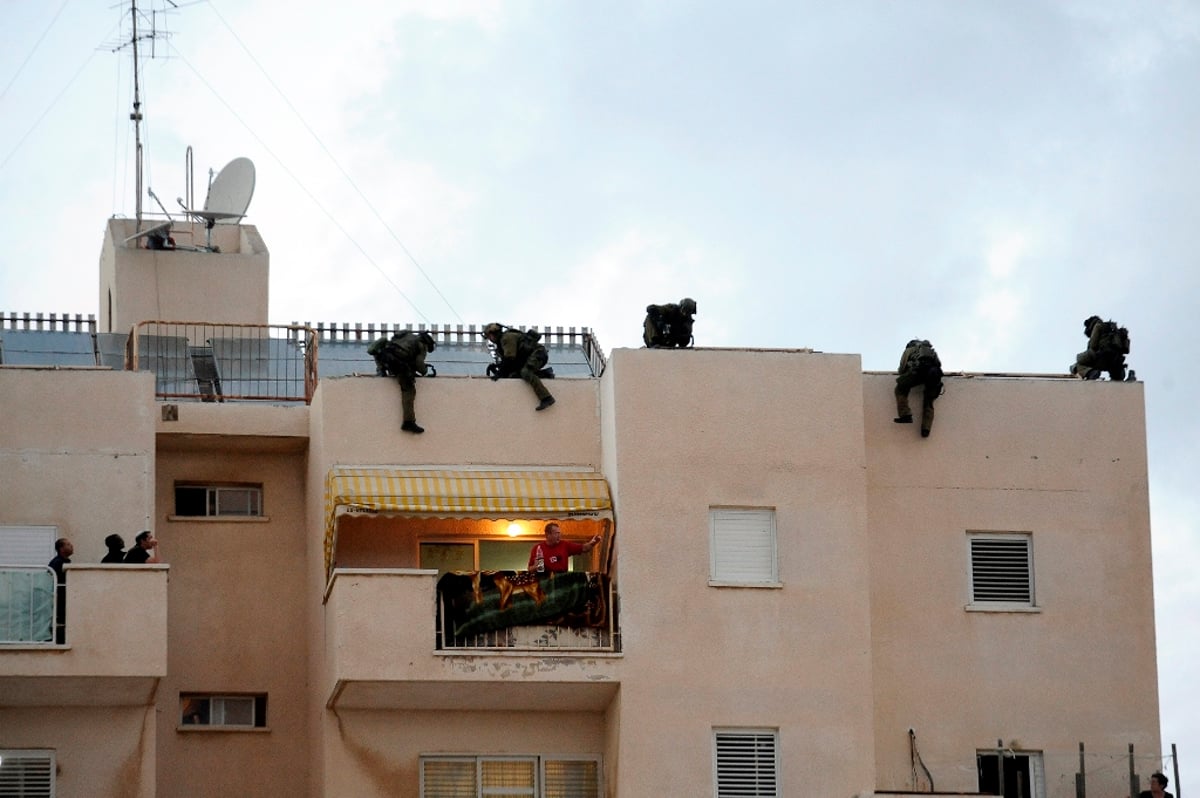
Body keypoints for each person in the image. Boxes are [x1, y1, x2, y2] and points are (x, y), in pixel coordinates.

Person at [368, 330, 437, 434]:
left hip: (385, 358)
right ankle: (408, 422)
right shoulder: (421, 345)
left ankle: (381, 370)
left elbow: (396, 348)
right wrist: (425, 371)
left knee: (389, 357)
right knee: (409, 390)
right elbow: (419, 364)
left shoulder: (406, 336)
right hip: (398, 364)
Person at [483, 323, 556, 411]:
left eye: (490, 336)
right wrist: (496, 367)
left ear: (494, 333)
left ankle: (546, 398)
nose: (490, 339)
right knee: (515, 375)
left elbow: (510, 359)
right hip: (527, 357)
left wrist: (499, 373)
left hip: (538, 353)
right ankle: (545, 374)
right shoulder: (501, 343)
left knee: (526, 372)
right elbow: (509, 361)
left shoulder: (507, 338)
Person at [894, 339, 944, 438]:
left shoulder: (910, 350)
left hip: (918, 373)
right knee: (929, 403)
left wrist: (904, 374)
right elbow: (938, 364)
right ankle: (926, 429)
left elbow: (902, 368)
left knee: (900, 388)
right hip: (934, 376)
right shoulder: (931, 351)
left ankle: (905, 415)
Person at [1071, 315, 1130, 381]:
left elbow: (1093, 346)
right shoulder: (1114, 330)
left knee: (1078, 361)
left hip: (1101, 357)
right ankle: (1120, 376)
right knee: (1116, 377)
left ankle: (1090, 373)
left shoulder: (1098, 326)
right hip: (1115, 361)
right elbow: (1126, 350)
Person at [528, 522, 602, 574]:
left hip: (561, 582)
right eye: (556, 533)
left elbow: (584, 548)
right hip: (545, 583)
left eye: (559, 533)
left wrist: (593, 542)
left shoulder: (565, 545)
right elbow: (529, 569)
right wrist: (535, 567)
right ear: (548, 535)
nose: (559, 536)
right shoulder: (537, 548)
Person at [48, 538, 73, 644]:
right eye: (68, 544)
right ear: (61, 548)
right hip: (59, 598)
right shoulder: (58, 563)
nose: (71, 546)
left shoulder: (63, 562)